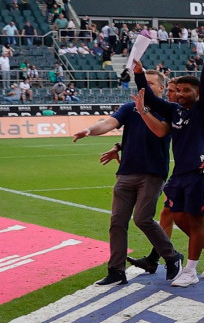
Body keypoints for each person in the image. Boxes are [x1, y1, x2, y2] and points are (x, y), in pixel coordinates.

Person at [71, 66, 181, 286]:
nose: (145, 87)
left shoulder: (169, 110)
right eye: (144, 83)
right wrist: (90, 130)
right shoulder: (129, 108)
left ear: (161, 87)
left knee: (142, 218)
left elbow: (160, 132)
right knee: (117, 222)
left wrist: (143, 111)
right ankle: (116, 270)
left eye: (150, 84)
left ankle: (172, 256)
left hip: (152, 173)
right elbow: (108, 123)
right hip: (126, 172)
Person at [136, 40, 204, 288]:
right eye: (180, 90)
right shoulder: (175, 111)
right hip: (181, 174)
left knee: (196, 221)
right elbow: (153, 102)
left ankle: (191, 270)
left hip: (201, 171)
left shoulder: (203, 109)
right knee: (176, 215)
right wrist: (138, 75)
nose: (182, 93)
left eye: (188, 90)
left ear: (197, 94)